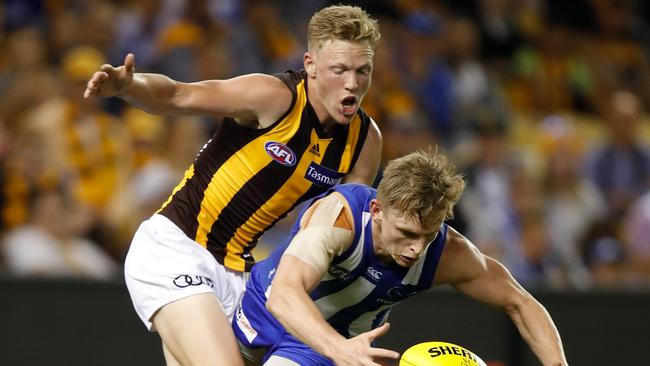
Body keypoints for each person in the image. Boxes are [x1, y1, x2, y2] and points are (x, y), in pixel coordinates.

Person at [83, 5, 382, 365]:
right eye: (340, 70)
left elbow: (346, 228)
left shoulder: (364, 141)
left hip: (241, 275)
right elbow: (177, 95)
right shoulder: (273, 97)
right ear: (311, 64)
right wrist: (129, 86)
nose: (352, 83)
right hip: (176, 249)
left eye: (362, 71)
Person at [233, 150, 568, 366]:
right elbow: (284, 295)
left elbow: (521, 303)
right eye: (407, 233)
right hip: (261, 310)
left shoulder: (448, 252)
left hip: (320, 350)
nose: (416, 249)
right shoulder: (340, 217)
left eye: (428, 234)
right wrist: (341, 348)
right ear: (377, 210)